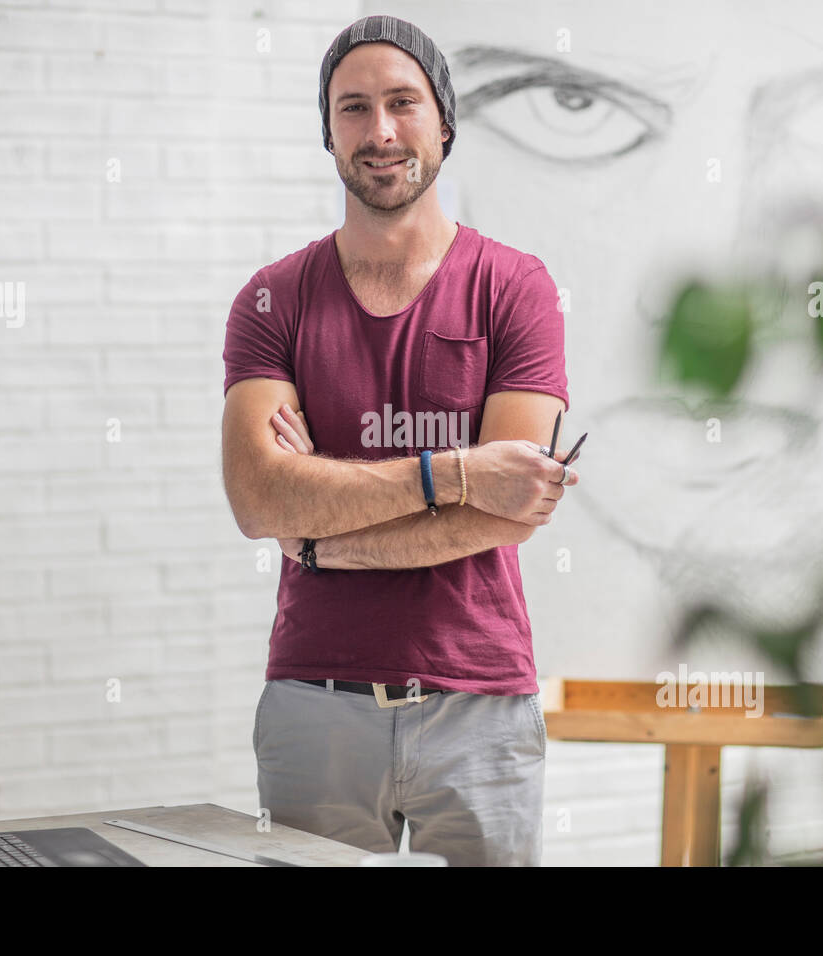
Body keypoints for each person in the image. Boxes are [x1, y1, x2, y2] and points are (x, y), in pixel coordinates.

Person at [220, 15, 582, 866]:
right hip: (316, 700)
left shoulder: (515, 287)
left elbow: (512, 509)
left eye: (401, 103)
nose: (379, 132)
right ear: (329, 132)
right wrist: (453, 471)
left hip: (480, 702)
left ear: (444, 122)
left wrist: (322, 533)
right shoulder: (272, 300)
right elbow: (258, 499)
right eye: (353, 109)